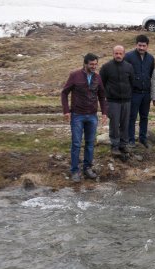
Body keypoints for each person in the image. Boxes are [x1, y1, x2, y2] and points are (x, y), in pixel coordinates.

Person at [61, 53, 108, 182]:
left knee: (90, 144)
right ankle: (74, 171)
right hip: (77, 115)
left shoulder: (98, 78)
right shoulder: (74, 76)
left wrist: (104, 112)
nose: (94, 66)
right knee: (76, 144)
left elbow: (102, 96)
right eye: (91, 64)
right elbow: (64, 93)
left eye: (95, 64)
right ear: (85, 64)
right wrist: (66, 111)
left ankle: (87, 168)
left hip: (92, 116)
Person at [99, 45, 135, 156]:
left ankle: (123, 145)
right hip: (112, 101)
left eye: (120, 53)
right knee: (114, 124)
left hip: (126, 101)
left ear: (124, 54)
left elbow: (132, 82)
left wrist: (128, 94)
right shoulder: (106, 67)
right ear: (113, 54)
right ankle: (114, 145)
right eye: (116, 53)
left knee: (125, 123)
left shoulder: (129, 67)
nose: (118, 55)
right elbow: (101, 84)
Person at [124, 35, 154, 149]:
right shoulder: (128, 57)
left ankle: (143, 138)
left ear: (147, 46)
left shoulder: (150, 58)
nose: (141, 48)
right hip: (134, 93)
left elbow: (151, 74)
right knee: (132, 117)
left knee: (144, 117)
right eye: (139, 45)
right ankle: (131, 139)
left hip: (146, 93)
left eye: (144, 45)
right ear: (136, 44)